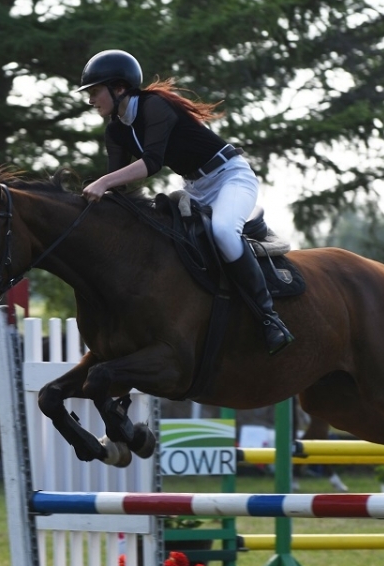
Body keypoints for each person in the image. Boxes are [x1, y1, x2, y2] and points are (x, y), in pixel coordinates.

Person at [77, 49, 294, 354]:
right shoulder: (115, 130)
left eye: (95, 92)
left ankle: (269, 317)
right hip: (195, 187)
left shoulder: (155, 106)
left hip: (230, 177)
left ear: (120, 88)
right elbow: (120, 186)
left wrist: (102, 183)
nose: (90, 100)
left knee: (223, 232)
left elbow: (151, 163)